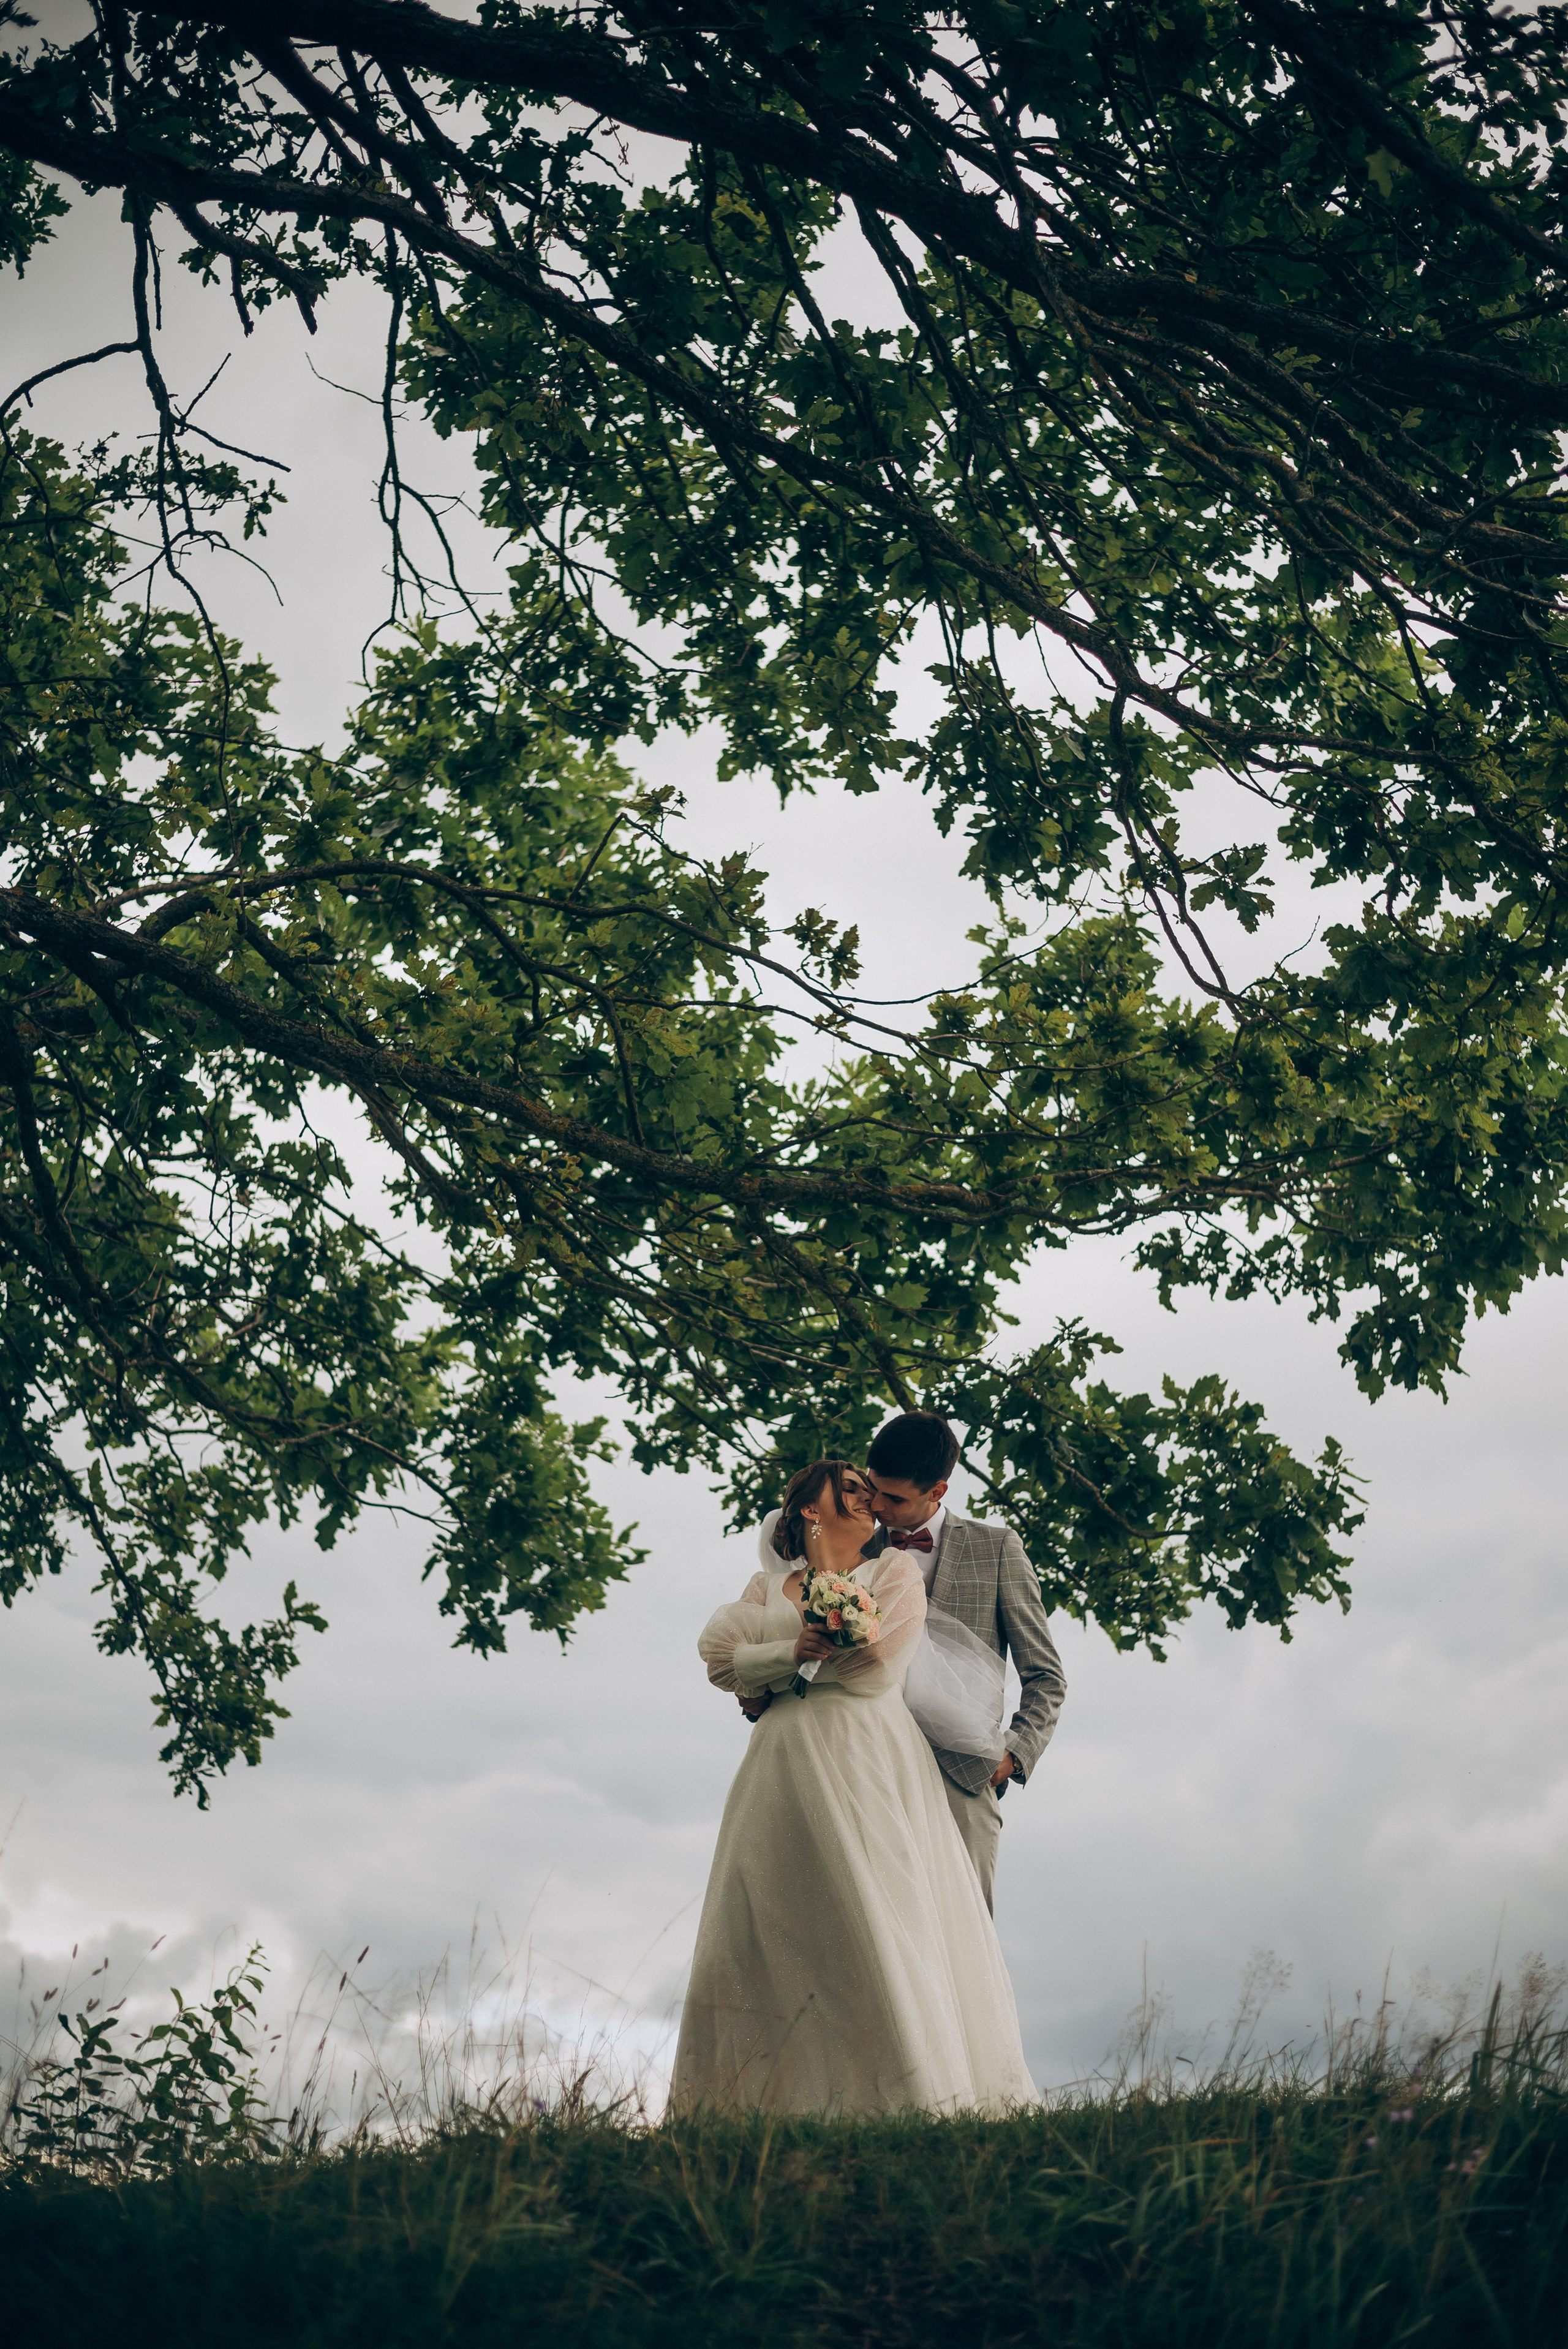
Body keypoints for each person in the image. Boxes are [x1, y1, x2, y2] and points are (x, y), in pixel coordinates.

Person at [669, 1459, 1035, 2116]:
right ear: (810, 1508)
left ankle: (902, 2094)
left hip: (867, 1753)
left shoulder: (892, 1573)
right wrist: (791, 1654)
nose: (868, 1499)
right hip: (779, 1760)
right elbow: (721, 1660)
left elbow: (875, 1666)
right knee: (768, 1913)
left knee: (878, 1910)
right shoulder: (766, 1586)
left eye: (871, 1491)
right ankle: (753, 2104)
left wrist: (774, 1675)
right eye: (851, 1489)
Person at [863, 1411, 1066, 1915]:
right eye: (873, 1489)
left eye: (894, 1498)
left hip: (964, 1778)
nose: (877, 1507)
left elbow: (1045, 1675)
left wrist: (1014, 1754)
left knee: (964, 1937)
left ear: (938, 1491)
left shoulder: (997, 1548)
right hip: (867, 1769)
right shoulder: (853, 1551)